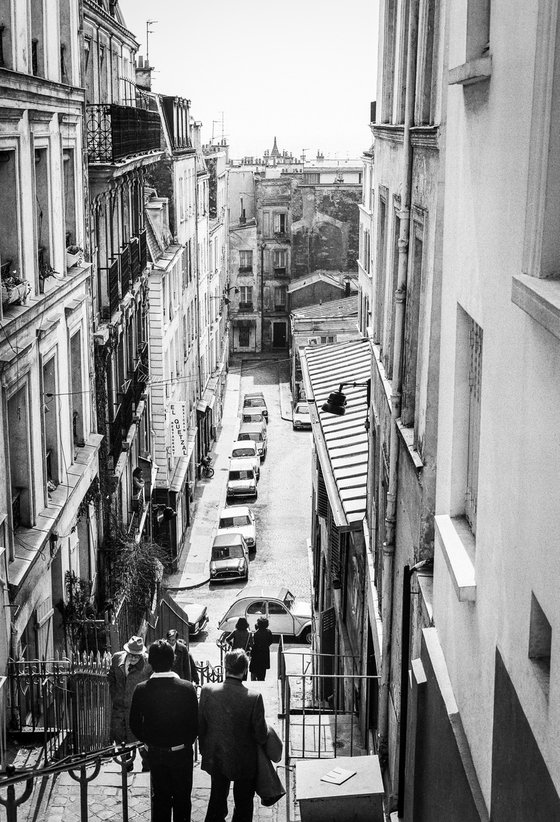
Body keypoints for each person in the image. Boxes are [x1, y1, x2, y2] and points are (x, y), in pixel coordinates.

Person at [130, 640, 199, 822]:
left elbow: (134, 723)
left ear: (150, 662)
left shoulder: (141, 689)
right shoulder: (187, 688)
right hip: (182, 752)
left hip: (156, 753)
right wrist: (185, 743)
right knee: (182, 800)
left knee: (160, 800)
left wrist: (147, 741)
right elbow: (195, 724)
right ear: (173, 659)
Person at [199, 649, 269, 822]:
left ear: (225, 667)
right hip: (244, 760)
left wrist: (204, 751)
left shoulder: (207, 690)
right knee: (244, 804)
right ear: (245, 670)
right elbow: (261, 736)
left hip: (216, 756)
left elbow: (201, 726)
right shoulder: (254, 697)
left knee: (216, 797)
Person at [107, 635, 151, 770]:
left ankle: (147, 767)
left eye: (137, 656)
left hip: (138, 710)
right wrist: (116, 696)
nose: (133, 658)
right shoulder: (116, 658)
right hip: (119, 708)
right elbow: (111, 678)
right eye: (131, 655)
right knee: (121, 738)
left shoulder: (148, 664)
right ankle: (126, 766)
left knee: (141, 740)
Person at [249, 617, 273, 682]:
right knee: (262, 672)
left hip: (257, 654)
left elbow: (255, 643)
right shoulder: (269, 632)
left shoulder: (256, 633)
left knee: (255, 670)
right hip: (265, 653)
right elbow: (271, 641)